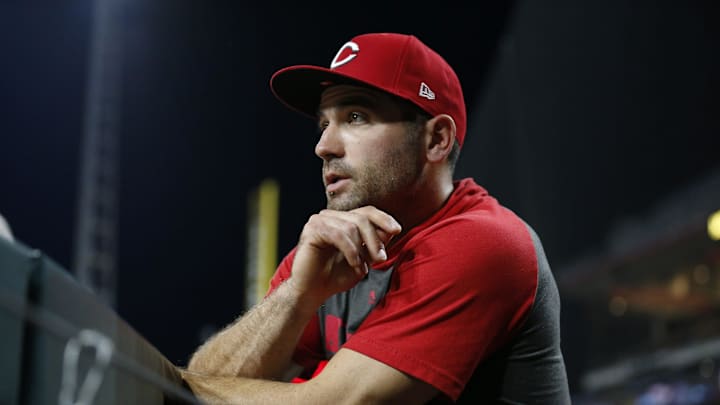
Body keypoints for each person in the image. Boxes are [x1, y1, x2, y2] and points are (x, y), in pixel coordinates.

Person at [181, 32, 571, 404]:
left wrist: (182, 386)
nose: (323, 146)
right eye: (323, 124)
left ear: (435, 140)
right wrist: (297, 296)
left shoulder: (484, 243)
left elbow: (329, 404)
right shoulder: (330, 246)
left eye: (355, 116)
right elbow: (209, 376)